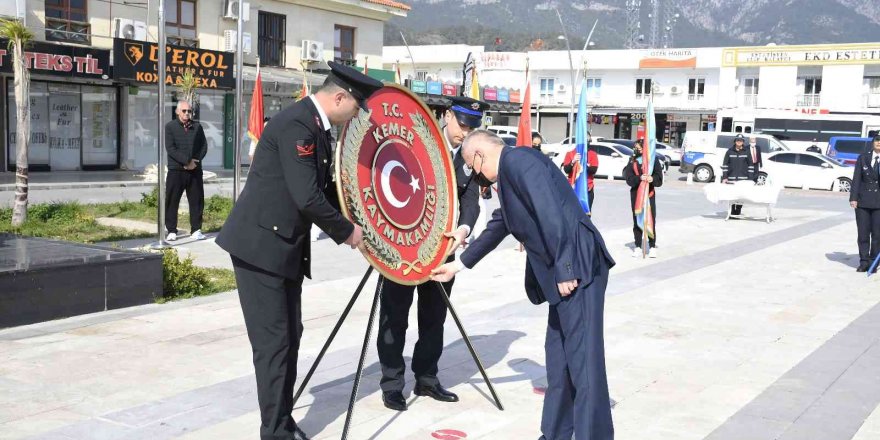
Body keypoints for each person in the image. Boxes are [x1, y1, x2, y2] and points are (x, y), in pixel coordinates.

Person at [215, 62, 382, 440]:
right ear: (339, 97)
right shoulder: (298, 125)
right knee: (274, 344)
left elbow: (321, 191)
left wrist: (358, 221)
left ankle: (282, 420)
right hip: (260, 250)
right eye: (355, 108)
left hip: (283, 250)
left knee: (291, 335)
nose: (355, 117)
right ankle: (274, 432)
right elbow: (306, 196)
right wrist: (347, 232)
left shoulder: (317, 127)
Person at [431, 129, 615, 440]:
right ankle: (555, 433)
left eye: (472, 170)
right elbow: (502, 222)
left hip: (577, 267)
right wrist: (458, 265)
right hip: (564, 270)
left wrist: (565, 268)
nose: (477, 178)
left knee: (584, 363)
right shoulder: (511, 171)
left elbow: (550, 213)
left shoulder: (518, 161)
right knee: (559, 358)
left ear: (479, 156)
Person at [376, 95, 486, 412]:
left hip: (443, 250)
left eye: (472, 127)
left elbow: (471, 200)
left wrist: (464, 228)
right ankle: (393, 384)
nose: (465, 132)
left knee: (434, 319)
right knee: (394, 318)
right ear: (448, 116)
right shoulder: (416, 141)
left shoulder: (469, 156)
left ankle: (426, 378)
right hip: (403, 248)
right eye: (462, 124)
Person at [164, 100, 208, 241]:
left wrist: (195, 162)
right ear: (177, 112)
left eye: (189, 111)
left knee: (196, 200)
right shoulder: (170, 127)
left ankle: (196, 229)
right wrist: (186, 162)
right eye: (184, 111)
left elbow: (203, 146)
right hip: (176, 170)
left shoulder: (197, 127)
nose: (187, 113)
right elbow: (171, 149)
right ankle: (171, 230)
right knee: (172, 200)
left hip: (194, 170)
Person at [623, 139, 664, 258]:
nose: (637, 150)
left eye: (640, 148)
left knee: (651, 219)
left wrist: (652, 179)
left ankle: (652, 246)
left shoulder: (653, 160)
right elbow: (629, 179)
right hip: (636, 195)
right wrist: (639, 178)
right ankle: (637, 246)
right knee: (637, 221)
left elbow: (659, 178)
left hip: (649, 194)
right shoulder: (632, 161)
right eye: (636, 148)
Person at [849, 134, 880, 273]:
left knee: (877, 235)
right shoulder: (863, 158)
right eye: (877, 140)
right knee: (863, 234)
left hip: (879, 202)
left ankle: (873, 262)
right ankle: (864, 262)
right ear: (873, 142)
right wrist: (853, 198)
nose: (879, 143)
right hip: (863, 201)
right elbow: (856, 179)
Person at [721, 133, 755, 217]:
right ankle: (732, 211)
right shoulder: (729, 151)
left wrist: (750, 179)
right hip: (731, 178)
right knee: (732, 196)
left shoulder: (747, 152)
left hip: (743, 179)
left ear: (743, 142)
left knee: (741, 196)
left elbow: (751, 165)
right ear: (735, 141)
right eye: (737, 140)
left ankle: (738, 210)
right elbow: (725, 165)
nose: (739, 142)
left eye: (741, 141)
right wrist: (725, 177)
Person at [561, 146, 599, 210]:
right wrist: (573, 161)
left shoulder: (592, 154)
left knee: (586, 214)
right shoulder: (570, 153)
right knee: (572, 212)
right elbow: (566, 170)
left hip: (587, 189)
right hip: (572, 188)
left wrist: (584, 164)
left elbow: (593, 170)